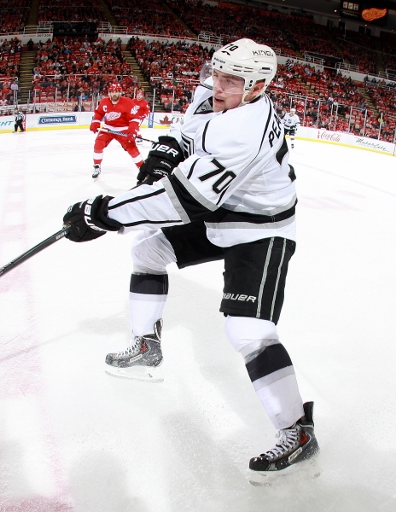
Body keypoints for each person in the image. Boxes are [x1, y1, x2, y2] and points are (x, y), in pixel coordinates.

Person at [62, 38, 318, 479]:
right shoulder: (217, 94)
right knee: (147, 250)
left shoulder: (244, 130)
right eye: (216, 74)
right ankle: (147, 345)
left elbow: (182, 201)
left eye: (231, 81)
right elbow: (184, 135)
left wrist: (102, 213)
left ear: (257, 87)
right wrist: (162, 157)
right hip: (224, 211)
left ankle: (299, 431)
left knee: (249, 332)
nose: (217, 86)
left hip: (260, 229)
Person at [89, 82, 144, 179]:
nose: (114, 94)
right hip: (108, 128)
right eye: (112, 92)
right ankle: (97, 166)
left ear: (120, 92)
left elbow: (134, 119)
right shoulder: (104, 102)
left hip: (123, 129)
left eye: (117, 92)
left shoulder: (127, 102)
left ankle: (143, 169)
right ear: (109, 93)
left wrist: (132, 131)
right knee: (98, 144)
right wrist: (95, 122)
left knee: (131, 148)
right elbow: (98, 113)